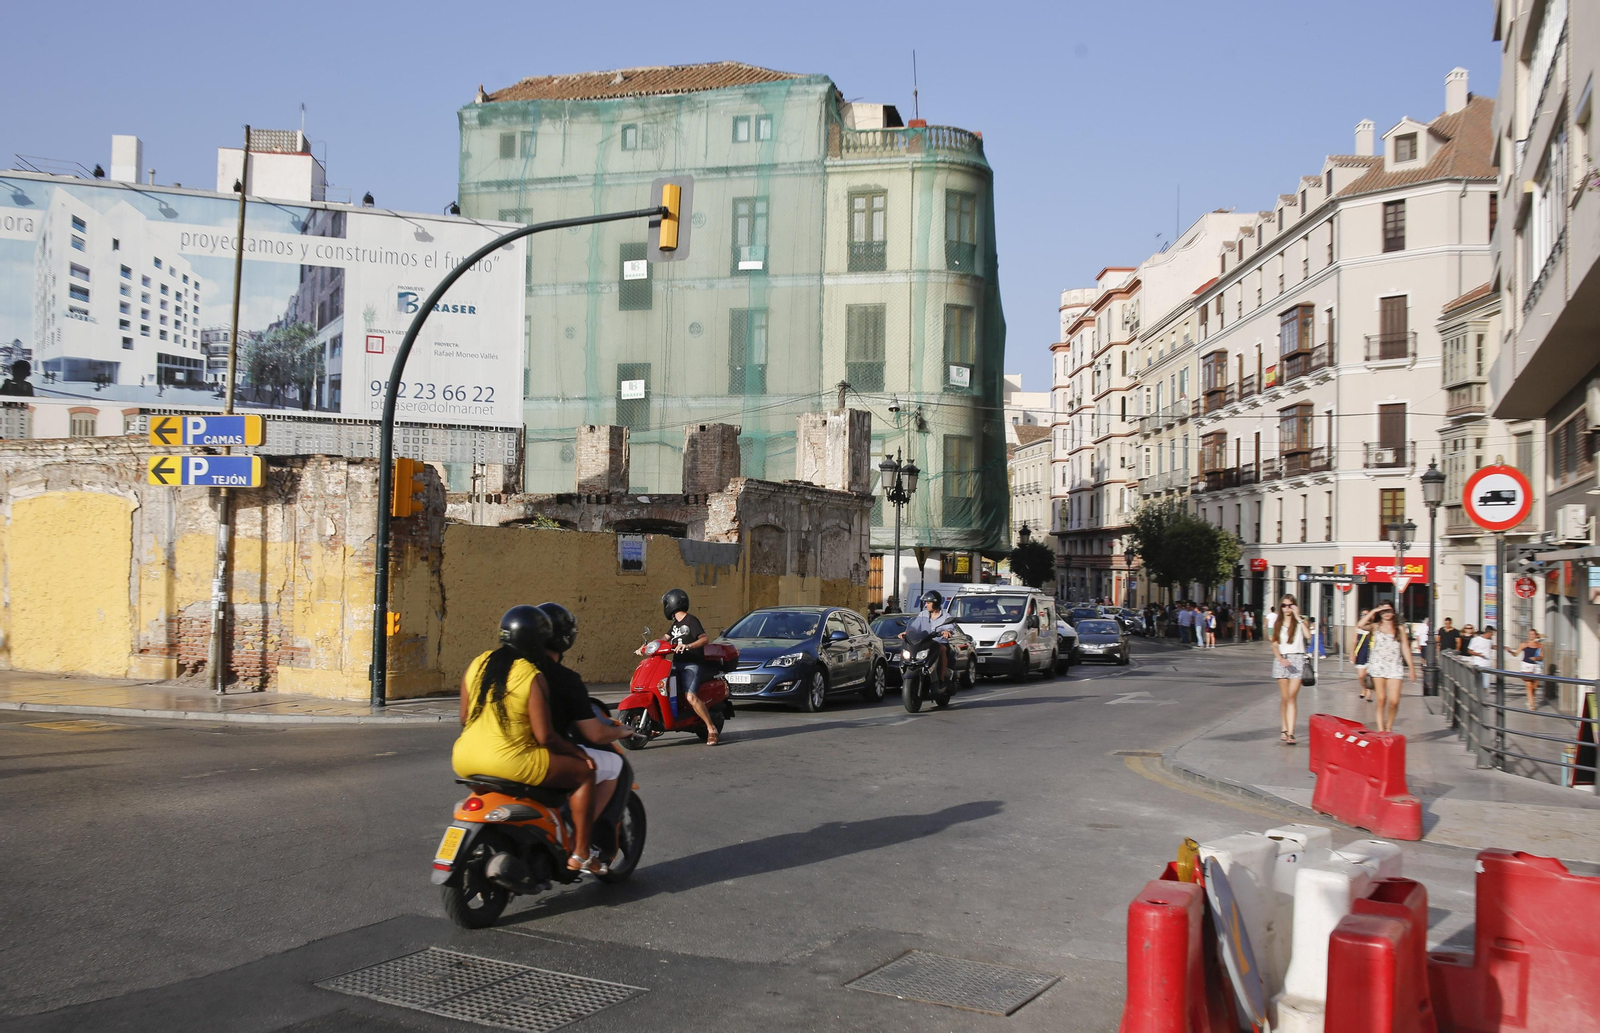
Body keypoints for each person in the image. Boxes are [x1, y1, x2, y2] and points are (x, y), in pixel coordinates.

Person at [452, 605, 606, 874]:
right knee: (584, 773)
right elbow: (545, 736)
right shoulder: (531, 676)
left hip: (464, 759)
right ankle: (581, 854)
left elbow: (464, 718)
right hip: (511, 762)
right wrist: (578, 753)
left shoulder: (479, 662)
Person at [535, 602, 634, 863]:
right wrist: (621, 731)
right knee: (610, 765)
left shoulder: (504, 671)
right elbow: (594, 735)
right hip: (538, 757)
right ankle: (580, 844)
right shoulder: (561, 678)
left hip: (485, 756)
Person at [651, 588, 720, 746]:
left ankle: (711, 729)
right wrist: (648, 647)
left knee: (690, 697)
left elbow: (704, 639)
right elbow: (664, 639)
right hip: (676, 664)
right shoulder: (675, 625)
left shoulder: (691, 620)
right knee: (662, 691)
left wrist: (688, 646)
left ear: (671, 603)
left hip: (692, 664)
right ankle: (658, 724)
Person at [1357, 604, 1415, 732]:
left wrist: (1411, 667)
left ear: (1393, 612)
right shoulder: (1375, 626)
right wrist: (1374, 610)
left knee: (1394, 701)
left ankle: (1389, 725)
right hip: (1378, 666)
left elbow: (1405, 648)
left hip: (1395, 666)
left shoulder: (1399, 629)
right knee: (1381, 698)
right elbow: (1360, 625)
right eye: (1383, 611)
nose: (1386, 613)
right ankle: (1381, 729)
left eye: (1389, 610)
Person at [1270, 595, 1308, 745]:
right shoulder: (1277, 623)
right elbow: (1274, 644)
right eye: (1284, 605)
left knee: (1292, 697)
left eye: (1290, 605)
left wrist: (1298, 616)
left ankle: (1291, 733)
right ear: (1281, 607)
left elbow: (1308, 635)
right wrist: (1280, 659)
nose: (1287, 608)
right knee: (1285, 697)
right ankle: (1284, 728)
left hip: (1297, 659)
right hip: (1282, 660)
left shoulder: (1300, 622)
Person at [900, 590, 957, 686]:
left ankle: (941, 679)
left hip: (938, 642)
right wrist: (906, 632)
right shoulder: (923, 614)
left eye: (928, 603)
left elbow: (950, 628)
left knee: (942, 649)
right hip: (924, 643)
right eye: (926, 603)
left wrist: (947, 632)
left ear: (935, 603)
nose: (926, 605)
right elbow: (914, 627)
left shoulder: (946, 616)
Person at [1518, 629, 1544, 710]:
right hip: (1526, 665)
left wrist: (1536, 658)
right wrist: (1510, 651)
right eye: (1530, 634)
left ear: (1536, 635)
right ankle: (1532, 705)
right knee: (1529, 685)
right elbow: (1516, 653)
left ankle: (1529, 701)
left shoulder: (1540, 646)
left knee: (1535, 686)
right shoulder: (1524, 644)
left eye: (1533, 634)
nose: (1531, 636)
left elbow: (1542, 656)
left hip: (1536, 666)